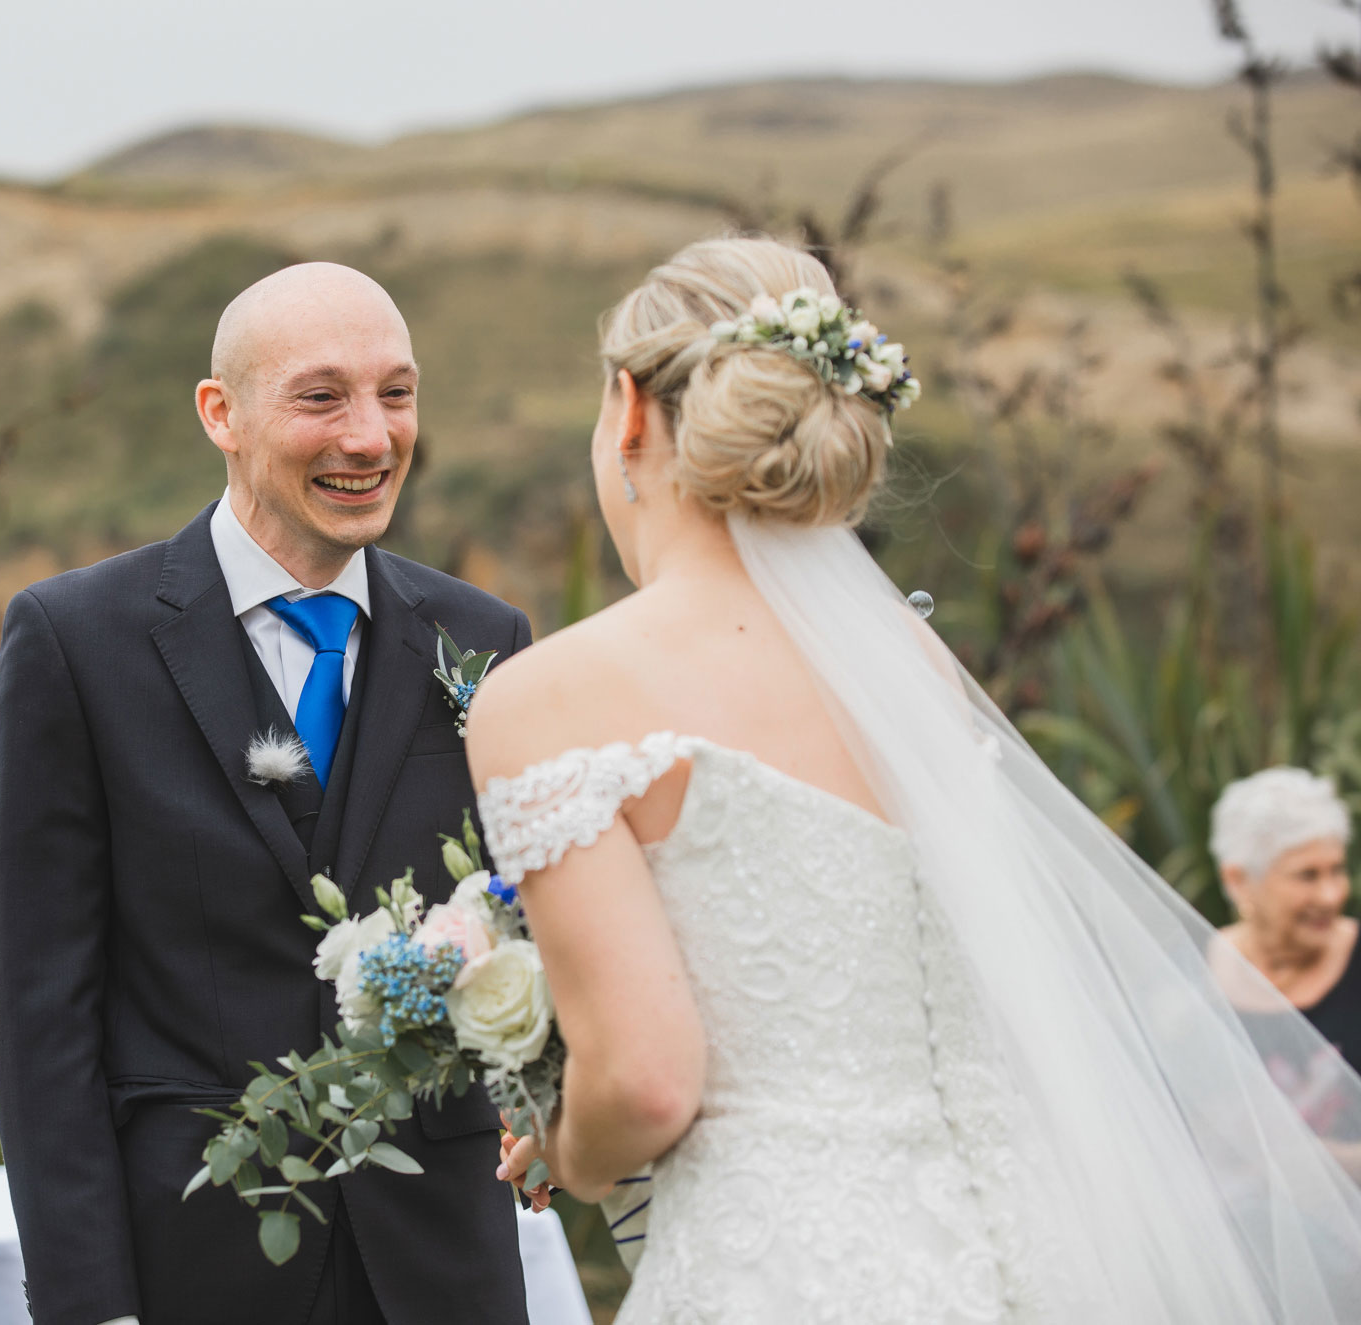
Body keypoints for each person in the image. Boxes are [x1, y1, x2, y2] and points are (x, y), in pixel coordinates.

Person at [478, 236, 1361, 1322]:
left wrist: (563, 1143)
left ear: (626, 409)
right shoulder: (913, 666)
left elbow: (645, 1083)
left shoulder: (552, 694)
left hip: (786, 1274)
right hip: (1033, 1251)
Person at [0, 263, 532, 1325]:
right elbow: (40, 1016)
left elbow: (531, 916)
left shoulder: (483, 639)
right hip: (191, 1267)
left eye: (396, 392)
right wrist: (89, 1305)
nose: (370, 438)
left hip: (440, 1271)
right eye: (320, 396)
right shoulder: (72, 643)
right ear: (219, 413)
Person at [1210, 767, 1361, 1140]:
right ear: (1239, 881)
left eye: (1337, 870)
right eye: (1307, 875)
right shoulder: (1188, 975)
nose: (1331, 895)